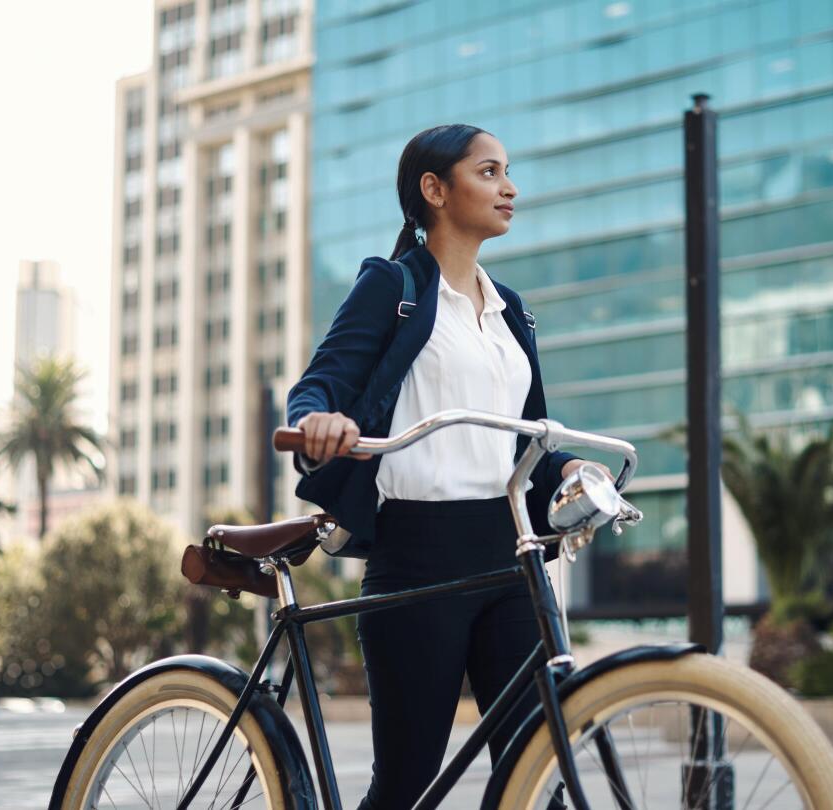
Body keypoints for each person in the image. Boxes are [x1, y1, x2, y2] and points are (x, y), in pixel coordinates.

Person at [284, 124, 612, 810]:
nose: (510, 187)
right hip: (420, 555)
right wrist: (322, 419)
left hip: (511, 554)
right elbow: (321, 383)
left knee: (536, 778)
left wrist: (576, 468)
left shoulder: (511, 311)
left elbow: (531, 446)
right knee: (407, 786)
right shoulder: (394, 285)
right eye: (489, 172)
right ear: (435, 190)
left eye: (508, 172)